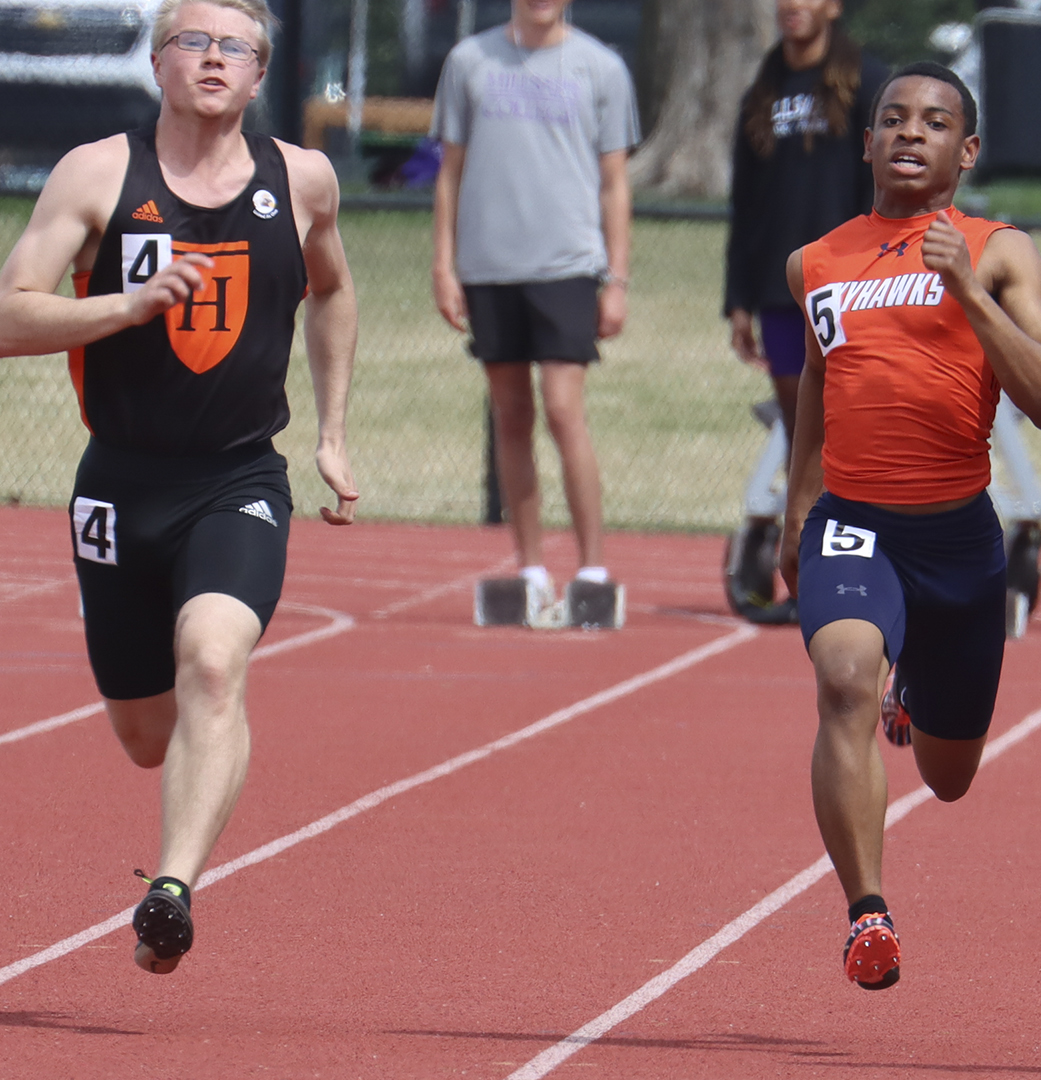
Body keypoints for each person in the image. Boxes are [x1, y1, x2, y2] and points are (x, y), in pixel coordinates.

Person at [0, 0, 358, 973]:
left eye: (232, 46)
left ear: (260, 72)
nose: (212, 58)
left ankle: (172, 888)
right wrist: (126, 304)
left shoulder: (304, 178)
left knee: (213, 659)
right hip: (120, 484)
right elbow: (9, 315)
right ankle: (197, 778)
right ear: (158, 64)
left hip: (238, 475)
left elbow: (333, 288)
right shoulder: (99, 174)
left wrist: (328, 433)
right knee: (145, 738)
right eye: (191, 42)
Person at [777, 62, 1041, 991]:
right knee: (842, 682)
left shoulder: (998, 249)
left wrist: (971, 294)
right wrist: (796, 509)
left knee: (949, 776)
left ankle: (920, 695)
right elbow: (822, 380)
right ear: (866, 142)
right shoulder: (814, 263)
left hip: (957, 541)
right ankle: (868, 914)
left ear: (966, 149)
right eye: (893, 119)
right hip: (854, 522)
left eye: (935, 122)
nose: (911, 133)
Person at [430, 0, 640, 616]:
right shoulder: (469, 61)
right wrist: (444, 265)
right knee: (511, 414)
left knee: (563, 409)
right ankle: (529, 571)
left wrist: (617, 278)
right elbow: (450, 172)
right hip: (490, 266)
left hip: (567, 265)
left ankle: (593, 567)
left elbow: (614, 182)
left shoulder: (600, 67)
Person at [726, 0, 890, 442]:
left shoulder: (867, 82)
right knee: (800, 429)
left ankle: (856, 513)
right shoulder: (763, 91)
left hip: (851, 282)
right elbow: (745, 204)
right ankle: (804, 515)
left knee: (852, 419)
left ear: (833, 7)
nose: (792, 4)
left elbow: (883, 189)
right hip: (780, 284)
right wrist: (738, 300)